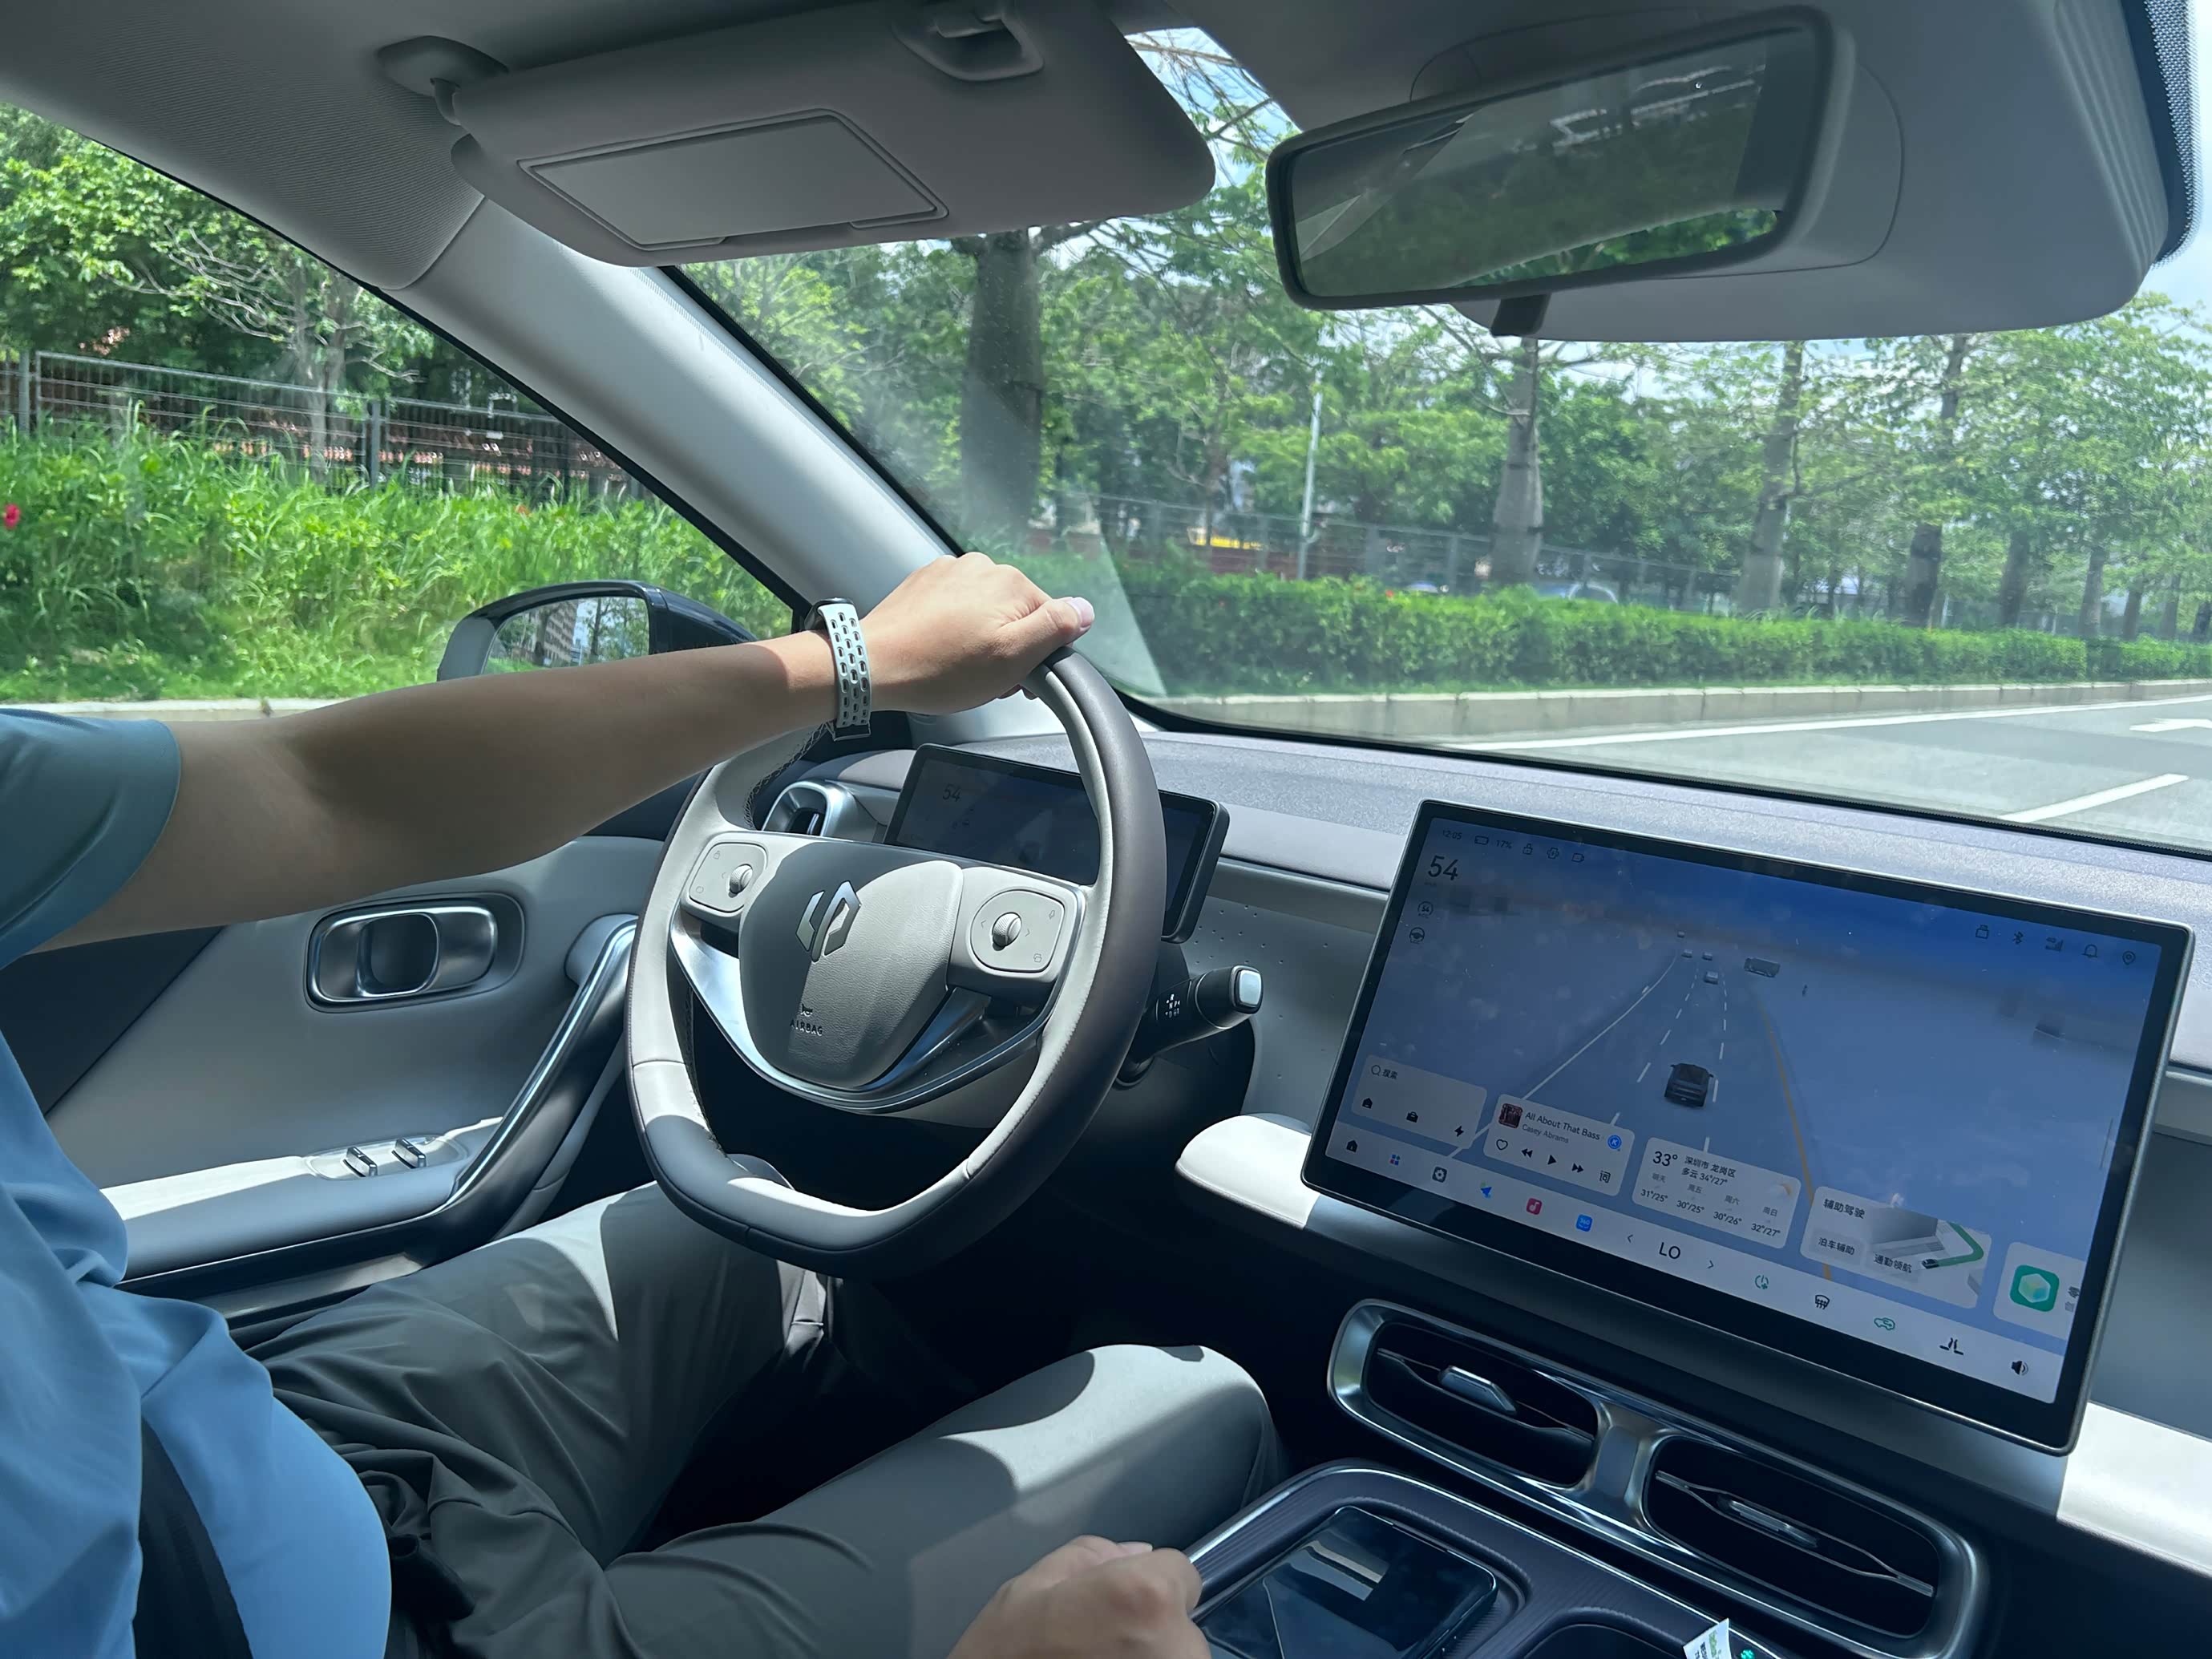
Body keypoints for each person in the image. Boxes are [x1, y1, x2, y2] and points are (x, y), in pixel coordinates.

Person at [1, 552, 1276, 1659]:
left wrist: (859, 661)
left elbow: (331, 789)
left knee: (745, 1233)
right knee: (1199, 1400)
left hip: (236, 1436)